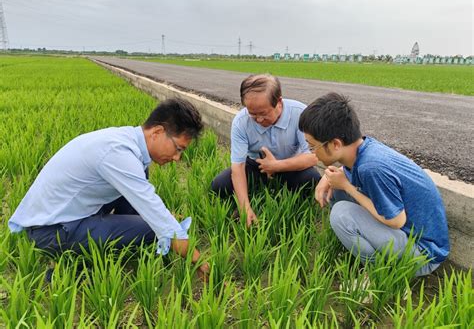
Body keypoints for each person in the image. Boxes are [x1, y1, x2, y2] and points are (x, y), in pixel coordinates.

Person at [9, 98, 209, 278]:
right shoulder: (118, 153)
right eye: (178, 148)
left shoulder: (125, 141)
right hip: (51, 232)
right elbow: (157, 216)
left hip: (62, 217)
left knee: (144, 184)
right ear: (157, 132)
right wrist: (197, 260)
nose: (177, 158)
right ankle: (70, 271)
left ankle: (118, 245)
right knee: (153, 228)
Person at [298, 92, 449, 276]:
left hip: (422, 256)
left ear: (336, 144)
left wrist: (346, 186)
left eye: (313, 146)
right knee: (338, 191)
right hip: (409, 237)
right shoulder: (363, 149)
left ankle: (377, 273)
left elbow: (395, 220)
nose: (311, 151)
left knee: (341, 213)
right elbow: (346, 174)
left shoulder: (371, 168)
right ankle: (360, 251)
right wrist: (327, 179)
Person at [211, 74, 321, 227]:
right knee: (219, 185)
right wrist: (244, 207)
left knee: (312, 180)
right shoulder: (241, 122)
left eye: (263, 113)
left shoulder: (300, 114)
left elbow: (312, 157)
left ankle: (289, 199)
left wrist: (276, 166)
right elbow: (238, 167)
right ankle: (252, 196)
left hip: (290, 164)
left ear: (279, 102)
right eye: (252, 114)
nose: (259, 119)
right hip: (256, 165)